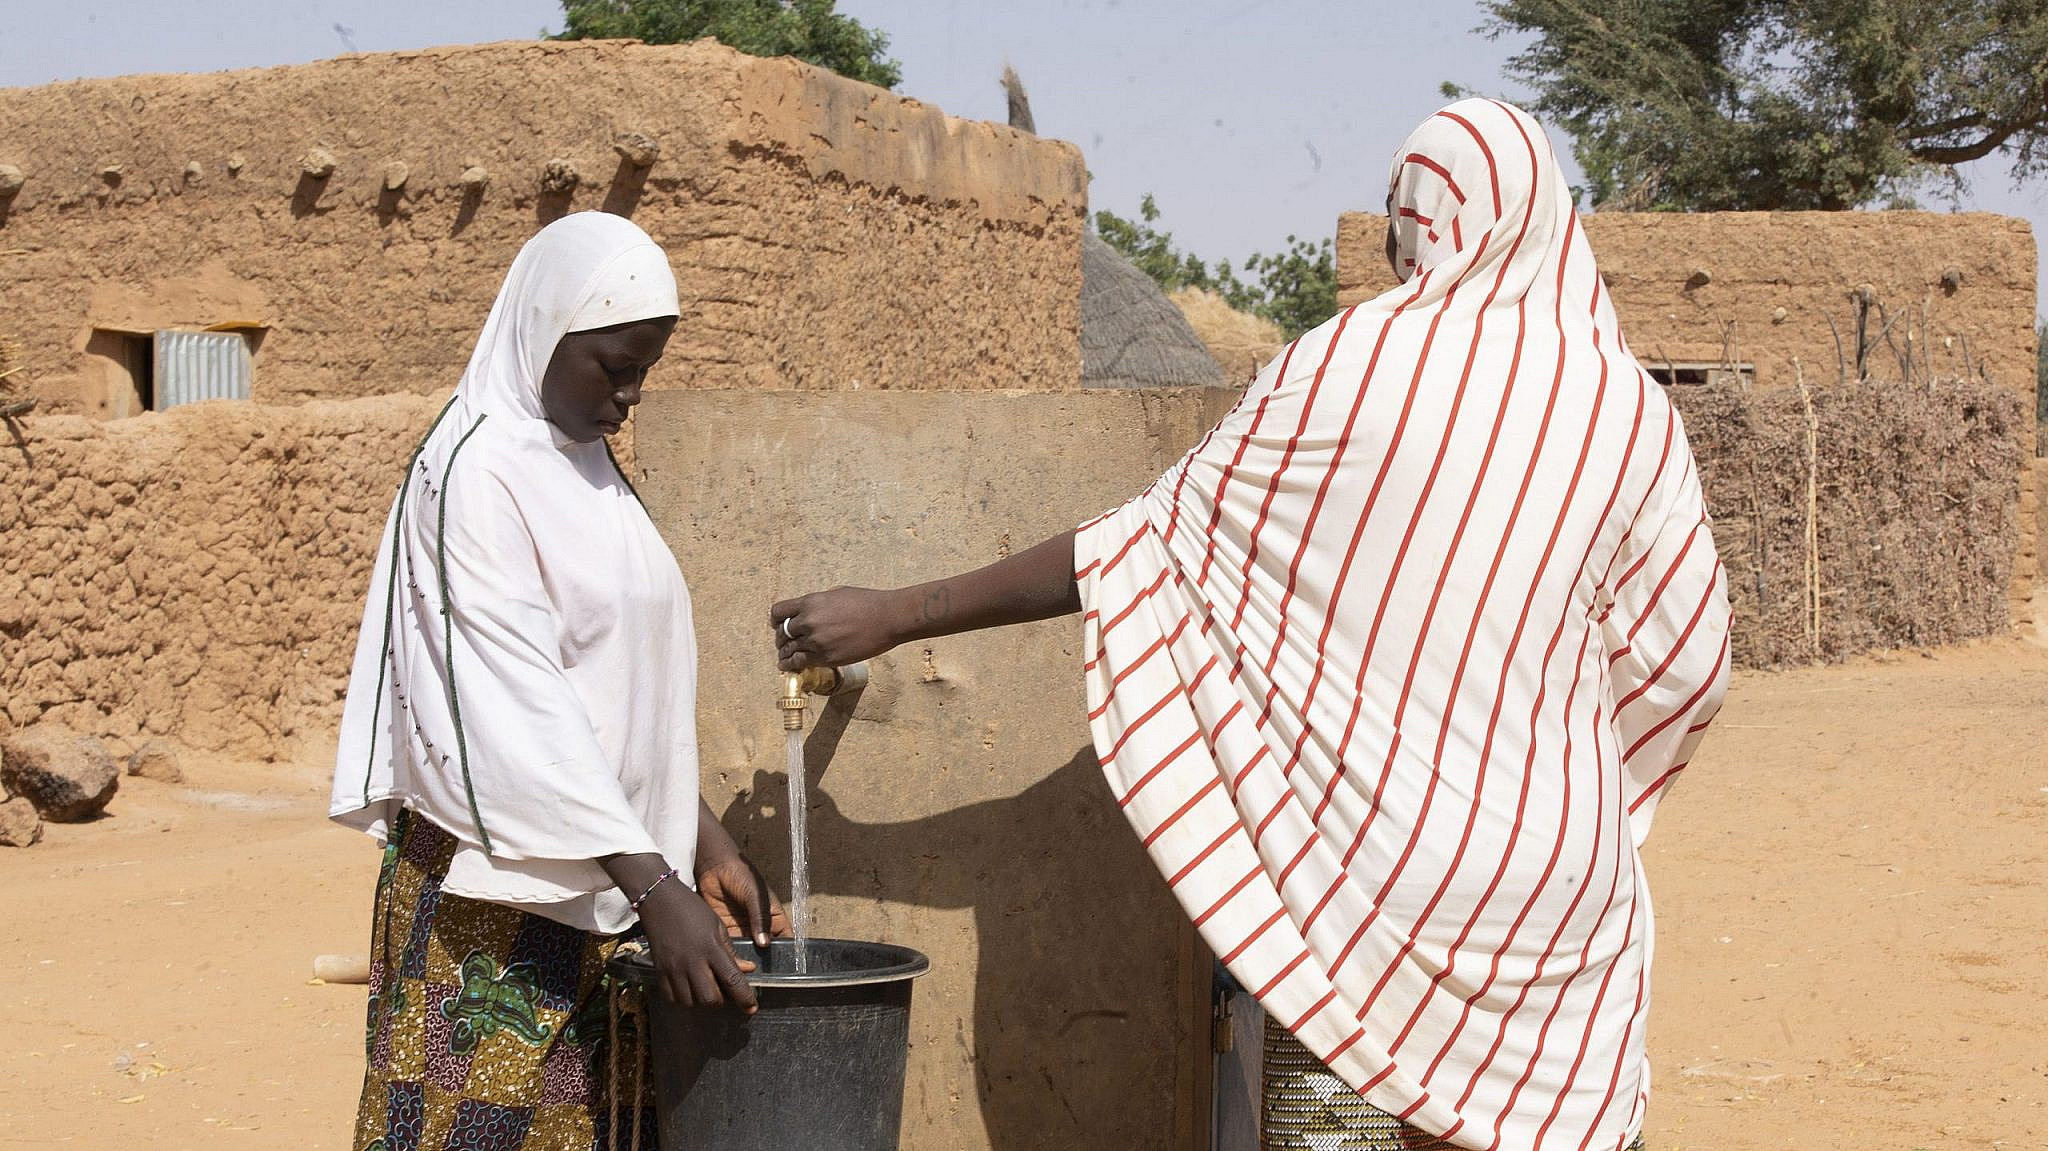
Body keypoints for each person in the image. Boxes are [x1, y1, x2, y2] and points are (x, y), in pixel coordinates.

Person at [771, 100, 1729, 1151]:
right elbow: (1688, 662)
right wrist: (1580, 780)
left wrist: (896, 612)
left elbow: (1140, 545)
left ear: (1422, 221)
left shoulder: (1348, 365)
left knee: (1342, 1131)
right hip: (1562, 887)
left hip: (1362, 890)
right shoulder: (1631, 410)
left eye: (1394, 221)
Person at [330, 212, 784, 1151]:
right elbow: (517, 709)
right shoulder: (475, 474)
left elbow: (615, 694)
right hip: (495, 910)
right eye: (614, 365)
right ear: (544, 329)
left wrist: (701, 842)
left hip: (615, 886)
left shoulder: (588, 471)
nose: (631, 393)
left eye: (646, 369)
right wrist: (657, 886)